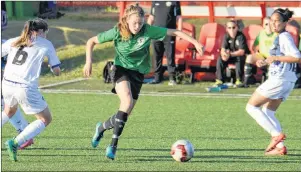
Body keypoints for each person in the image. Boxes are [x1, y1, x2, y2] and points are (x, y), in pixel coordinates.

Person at [84, 4, 203, 160]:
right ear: (126, 20)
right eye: (134, 23)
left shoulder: (148, 30)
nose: (137, 26)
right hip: (120, 70)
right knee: (126, 101)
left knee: (125, 112)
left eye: (140, 23)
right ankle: (113, 145)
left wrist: (195, 42)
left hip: (138, 74)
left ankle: (101, 128)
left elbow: (174, 31)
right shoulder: (117, 31)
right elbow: (91, 41)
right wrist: (88, 62)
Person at [2, 18, 61, 161]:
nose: (45, 36)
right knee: (45, 119)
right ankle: (16, 142)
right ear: (40, 31)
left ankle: (17, 141)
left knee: (9, 111)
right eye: (45, 32)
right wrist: (52, 68)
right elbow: (57, 71)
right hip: (25, 87)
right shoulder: (46, 44)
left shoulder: (14, 40)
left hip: (7, 84)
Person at [245, 8, 301, 156]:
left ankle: (276, 135)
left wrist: (275, 58)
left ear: (285, 23)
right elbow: (282, 59)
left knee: (251, 107)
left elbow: (297, 57)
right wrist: (265, 62)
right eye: (272, 21)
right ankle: (280, 147)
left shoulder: (284, 37)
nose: (274, 24)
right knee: (268, 111)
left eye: (278, 21)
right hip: (286, 81)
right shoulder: (280, 37)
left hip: (279, 80)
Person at [147, 1, 182, 85]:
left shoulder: (175, 2)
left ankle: (172, 79)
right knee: (157, 56)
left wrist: (180, 32)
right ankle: (157, 79)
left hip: (169, 32)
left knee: (170, 56)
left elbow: (179, 17)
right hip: (156, 33)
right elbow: (151, 17)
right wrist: (147, 31)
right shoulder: (155, 2)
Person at [214, 19, 250, 87]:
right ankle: (219, 80)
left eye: (233, 27)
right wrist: (224, 55)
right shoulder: (226, 36)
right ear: (227, 29)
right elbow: (223, 49)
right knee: (220, 59)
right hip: (230, 56)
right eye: (229, 28)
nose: (232, 30)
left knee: (240, 58)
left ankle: (238, 80)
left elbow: (241, 52)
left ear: (237, 28)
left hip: (239, 56)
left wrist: (229, 54)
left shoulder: (241, 36)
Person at [243, 17, 278, 87]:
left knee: (272, 61)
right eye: (266, 24)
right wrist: (257, 52)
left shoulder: (276, 35)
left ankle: (269, 80)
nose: (268, 26)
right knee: (249, 57)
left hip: (273, 58)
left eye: (270, 24)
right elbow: (254, 47)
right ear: (263, 26)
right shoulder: (261, 34)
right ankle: (248, 80)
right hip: (262, 56)